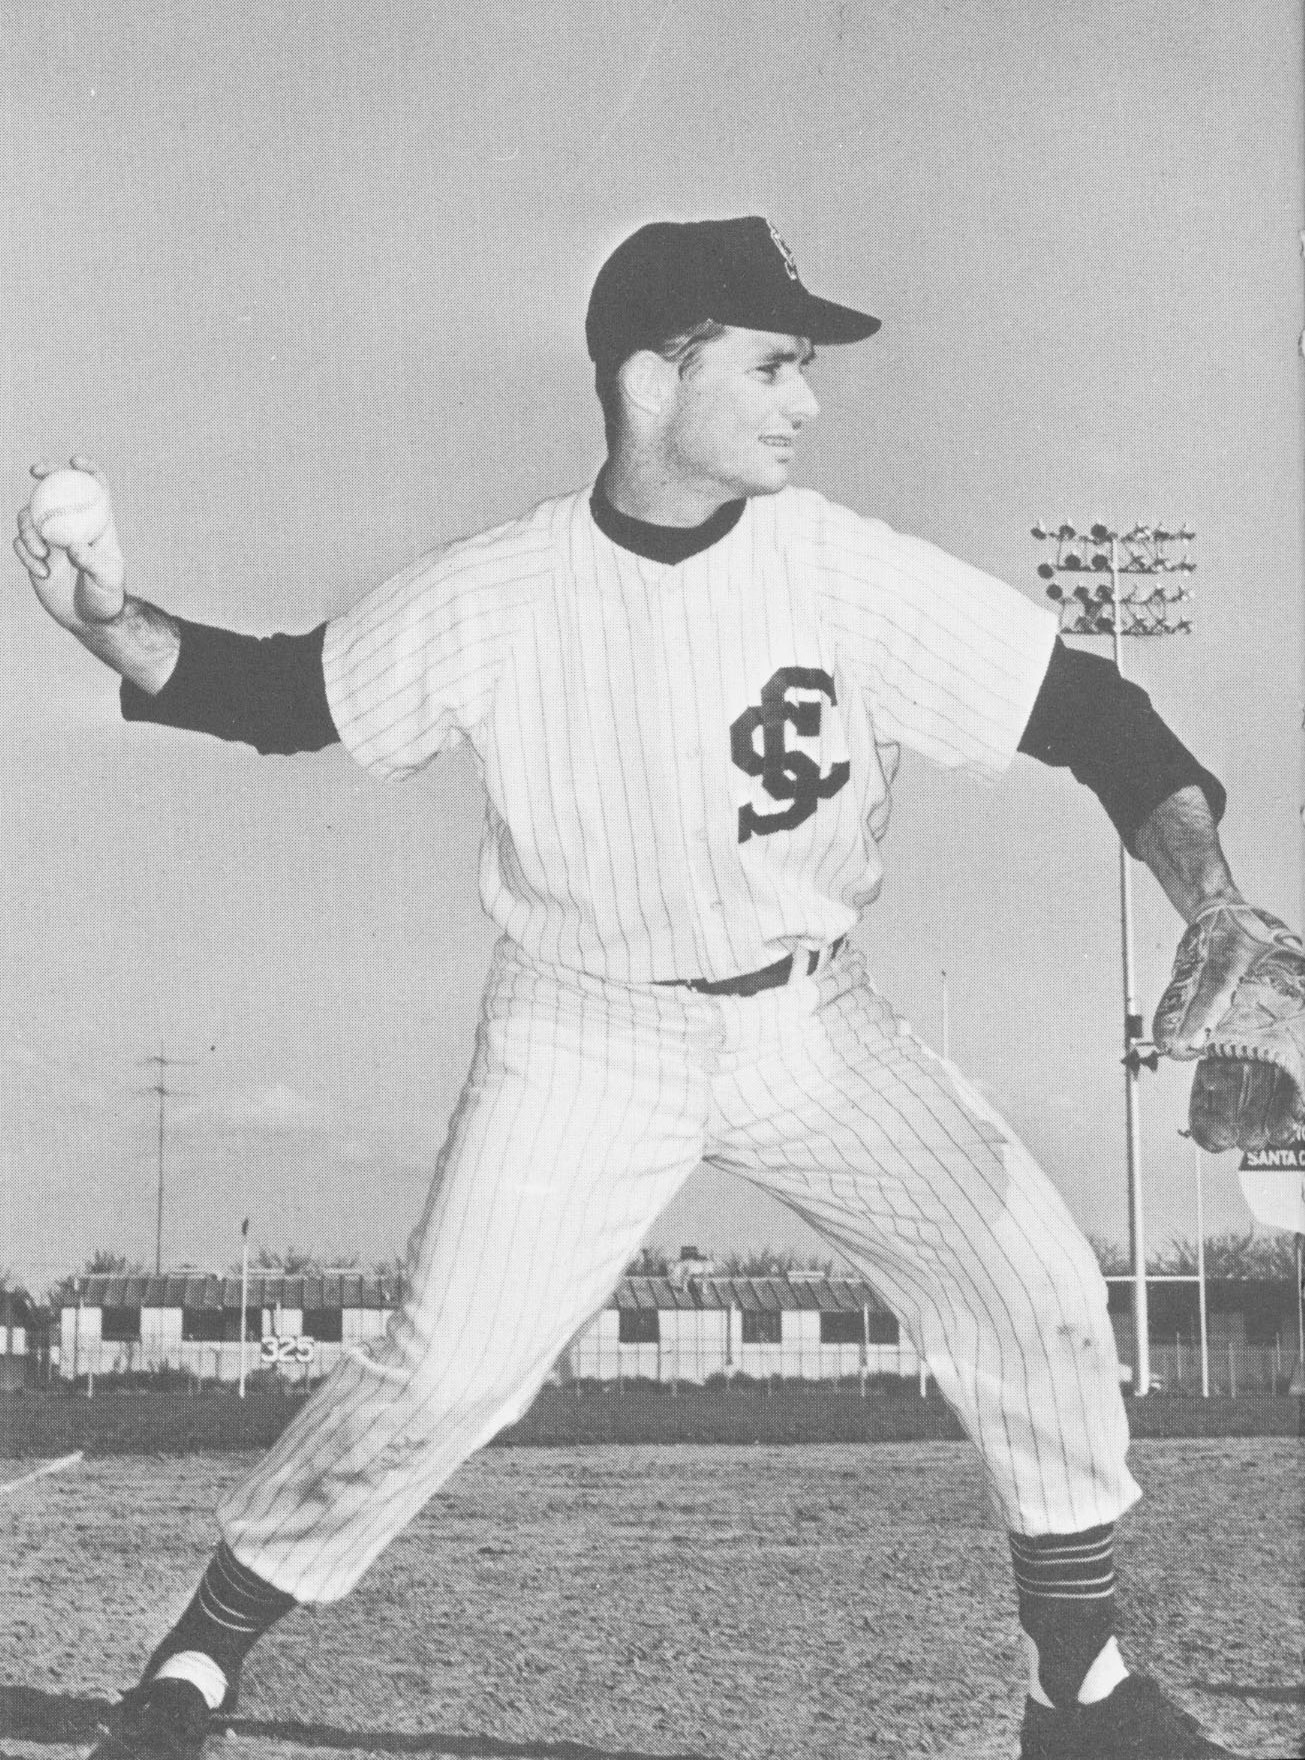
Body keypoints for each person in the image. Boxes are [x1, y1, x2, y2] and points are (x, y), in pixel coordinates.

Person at [15, 216, 1260, 1760]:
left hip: (813, 1027)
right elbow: (274, 696)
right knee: (447, 1370)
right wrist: (102, 619)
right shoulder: (497, 592)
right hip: (583, 1034)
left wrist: (1208, 895)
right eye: (772, 365)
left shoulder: (842, 568)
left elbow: (1095, 715)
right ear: (652, 377)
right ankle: (197, 1665)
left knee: (1033, 1290)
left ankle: (1075, 1687)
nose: (807, 400)